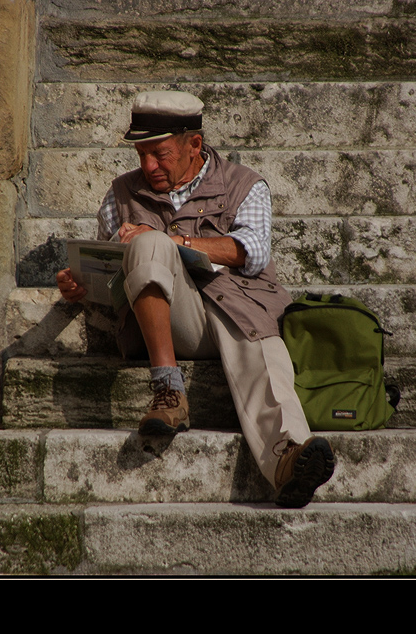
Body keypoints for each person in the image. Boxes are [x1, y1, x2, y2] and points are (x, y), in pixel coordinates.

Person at [56, 90, 335, 508]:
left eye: (160, 154)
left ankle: (288, 461)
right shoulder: (121, 195)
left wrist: (174, 240)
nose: (149, 166)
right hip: (169, 325)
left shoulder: (245, 184)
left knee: (265, 361)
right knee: (147, 247)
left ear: (195, 145)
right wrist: (81, 290)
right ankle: (169, 392)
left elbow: (251, 253)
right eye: (141, 155)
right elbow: (111, 269)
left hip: (237, 309)